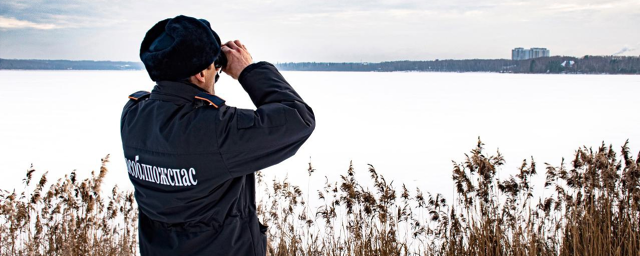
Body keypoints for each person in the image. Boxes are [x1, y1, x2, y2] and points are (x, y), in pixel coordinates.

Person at [120, 15, 315, 255]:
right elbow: (298, 120)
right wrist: (248, 71)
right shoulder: (215, 130)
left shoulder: (133, 114)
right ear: (201, 74)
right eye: (216, 68)